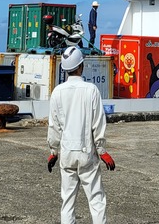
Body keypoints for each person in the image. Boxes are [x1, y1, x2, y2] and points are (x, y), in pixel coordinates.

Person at [47, 46, 115, 224]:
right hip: (87, 154)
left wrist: (53, 151)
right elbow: (98, 123)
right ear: (81, 66)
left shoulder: (57, 92)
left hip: (67, 153)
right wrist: (102, 151)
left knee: (67, 202)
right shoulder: (91, 90)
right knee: (96, 200)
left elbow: (54, 127)